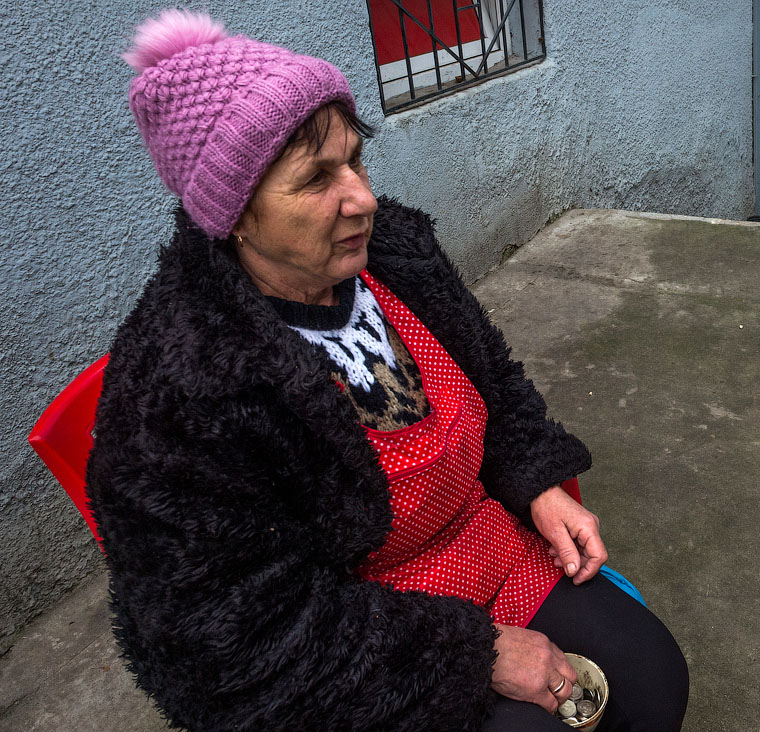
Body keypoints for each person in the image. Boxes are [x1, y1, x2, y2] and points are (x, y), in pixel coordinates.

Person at [86, 9, 688, 732]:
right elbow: (232, 641)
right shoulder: (181, 391)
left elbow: (494, 381)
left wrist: (537, 485)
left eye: (355, 158)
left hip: (485, 546)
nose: (362, 198)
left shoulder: (395, 256)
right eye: (315, 179)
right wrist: (476, 654)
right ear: (234, 215)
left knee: (654, 684)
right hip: (368, 642)